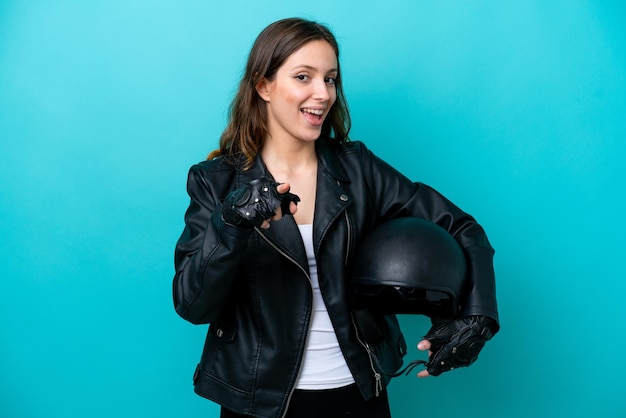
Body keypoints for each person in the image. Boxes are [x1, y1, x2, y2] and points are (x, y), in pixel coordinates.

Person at [173, 17, 499, 418]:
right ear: (263, 86)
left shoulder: (358, 168)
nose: (322, 93)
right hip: (258, 402)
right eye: (303, 77)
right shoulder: (214, 182)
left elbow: (463, 228)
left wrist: (478, 315)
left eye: (330, 79)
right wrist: (231, 222)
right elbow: (192, 305)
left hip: (357, 393)